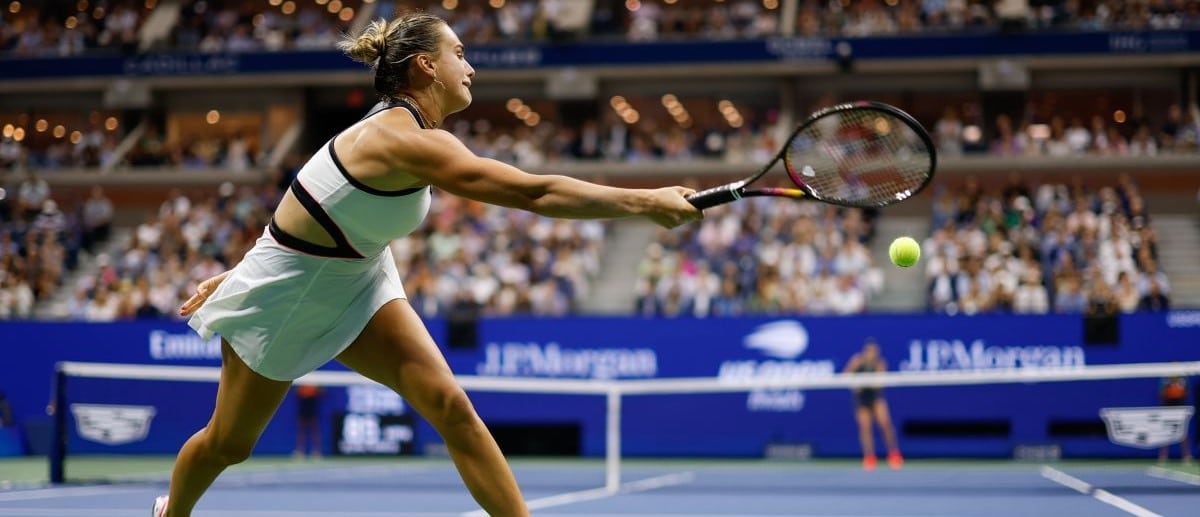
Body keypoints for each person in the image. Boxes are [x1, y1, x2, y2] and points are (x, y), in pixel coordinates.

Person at [154, 12, 701, 517]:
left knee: (450, 405)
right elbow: (534, 193)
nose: (471, 66)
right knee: (229, 444)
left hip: (360, 275)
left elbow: (318, 203)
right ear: (426, 65)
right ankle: (171, 512)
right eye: (459, 53)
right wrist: (645, 201)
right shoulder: (397, 139)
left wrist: (243, 266)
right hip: (288, 296)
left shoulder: (413, 133)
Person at [843, 337, 903, 471]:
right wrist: (855, 385)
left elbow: (879, 384)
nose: (871, 353)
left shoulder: (880, 363)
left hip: (876, 398)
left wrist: (866, 383)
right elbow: (846, 375)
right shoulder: (857, 361)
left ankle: (894, 454)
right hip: (861, 399)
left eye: (874, 351)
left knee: (885, 424)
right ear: (865, 351)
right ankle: (869, 457)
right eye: (869, 350)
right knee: (865, 427)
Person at [1158, 375, 1193, 466]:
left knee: (1183, 434)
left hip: (1180, 411)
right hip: (1168, 411)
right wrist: (1168, 387)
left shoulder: (1183, 383)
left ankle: (1186, 456)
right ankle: (1163, 457)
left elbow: (1185, 395)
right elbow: (1162, 395)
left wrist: (1178, 387)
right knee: (1165, 433)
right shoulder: (1165, 382)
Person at [293, 384, 323, 460]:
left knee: (314, 429)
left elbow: (322, 391)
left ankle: (316, 451)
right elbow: (296, 391)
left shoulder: (315, 382)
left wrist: (314, 390)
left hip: (312, 405)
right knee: (301, 430)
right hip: (303, 405)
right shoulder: (301, 383)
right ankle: (299, 451)